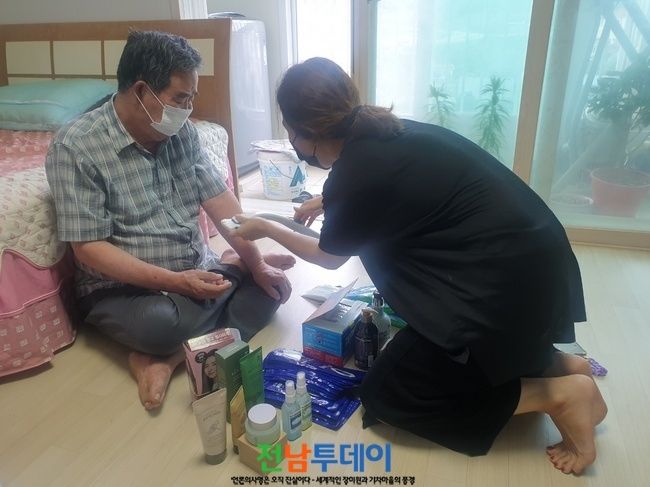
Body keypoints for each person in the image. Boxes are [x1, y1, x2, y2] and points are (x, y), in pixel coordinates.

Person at [230, 57, 607, 475]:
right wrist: (328, 200)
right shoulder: (385, 130)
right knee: (433, 358)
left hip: (499, 293)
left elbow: (329, 256)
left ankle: (560, 395)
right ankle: (559, 365)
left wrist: (266, 226)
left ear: (303, 132)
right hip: (537, 274)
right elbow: (399, 189)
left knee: (389, 393)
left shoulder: (356, 173)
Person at [45, 31, 294, 411]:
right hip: (123, 289)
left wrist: (257, 265)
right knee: (160, 327)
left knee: (272, 292)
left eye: (191, 98)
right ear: (141, 91)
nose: (188, 109)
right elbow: (89, 248)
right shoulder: (76, 146)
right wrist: (177, 283)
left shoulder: (182, 133)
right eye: (180, 98)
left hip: (195, 271)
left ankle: (170, 359)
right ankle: (227, 279)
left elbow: (223, 206)